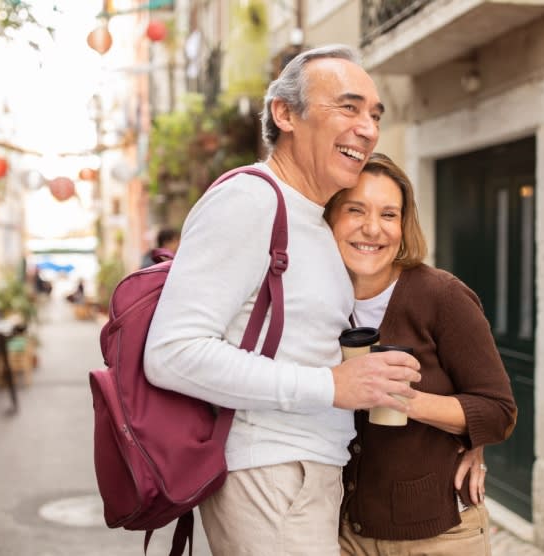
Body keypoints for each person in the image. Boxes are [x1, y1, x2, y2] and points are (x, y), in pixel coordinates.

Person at [144, 45, 421, 555]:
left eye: (374, 115)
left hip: (305, 475)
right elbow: (172, 353)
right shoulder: (250, 201)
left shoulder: (312, 217)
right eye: (349, 106)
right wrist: (329, 385)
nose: (367, 127)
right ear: (285, 113)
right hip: (270, 475)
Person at [324, 153, 517, 555]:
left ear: (403, 225)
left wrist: (399, 398)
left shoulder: (441, 297)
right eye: (355, 209)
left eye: (389, 215)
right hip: (340, 531)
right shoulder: (316, 296)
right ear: (330, 217)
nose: (372, 228)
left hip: (438, 535)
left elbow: (498, 412)